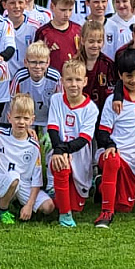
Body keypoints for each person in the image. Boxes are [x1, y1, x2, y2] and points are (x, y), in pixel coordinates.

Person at [94, 49, 135, 224]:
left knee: (125, 206)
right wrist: (110, 145)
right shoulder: (113, 102)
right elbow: (102, 132)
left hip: (132, 162)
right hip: (115, 155)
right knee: (112, 160)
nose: (134, 80)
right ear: (120, 75)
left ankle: (101, 185)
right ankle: (106, 212)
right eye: (129, 76)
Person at [47, 58, 100, 228]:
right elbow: (53, 129)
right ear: (62, 81)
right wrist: (59, 152)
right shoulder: (56, 100)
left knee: (77, 206)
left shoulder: (91, 108)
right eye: (69, 80)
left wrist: (61, 150)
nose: (73, 84)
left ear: (85, 81)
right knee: (61, 165)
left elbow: (84, 139)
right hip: (60, 155)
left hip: (79, 158)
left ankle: (88, 188)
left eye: (78, 80)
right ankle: (65, 215)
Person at [0, 93, 50, 224]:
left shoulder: (34, 146)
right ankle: (3, 210)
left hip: (23, 185)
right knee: (14, 177)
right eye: (17, 117)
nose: (21, 122)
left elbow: (36, 180)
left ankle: (20, 203)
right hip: (1, 183)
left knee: (48, 207)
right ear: (9, 117)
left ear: (32, 120)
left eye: (26, 118)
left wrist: (29, 205)